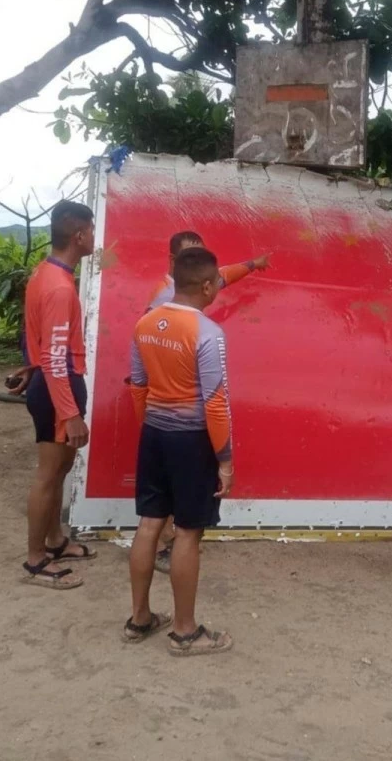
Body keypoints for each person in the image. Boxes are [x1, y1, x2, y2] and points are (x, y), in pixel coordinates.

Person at [124, 246, 236, 656]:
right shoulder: (208, 333)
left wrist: (152, 427)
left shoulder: (146, 323)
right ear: (206, 286)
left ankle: (139, 619)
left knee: (149, 523)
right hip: (192, 443)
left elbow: (137, 384)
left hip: (154, 434)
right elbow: (215, 402)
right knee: (188, 532)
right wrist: (224, 459)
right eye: (216, 284)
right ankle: (185, 632)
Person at [146, 230, 268, 574]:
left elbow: (223, 274)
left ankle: (165, 544)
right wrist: (225, 460)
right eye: (191, 257)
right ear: (175, 264)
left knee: (155, 510)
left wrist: (253, 265)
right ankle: (170, 546)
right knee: (179, 507)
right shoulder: (167, 305)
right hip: (181, 422)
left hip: (163, 422)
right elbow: (213, 401)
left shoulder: (193, 293)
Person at [14, 200, 99, 589]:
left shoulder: (44, 274)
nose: (95, 238)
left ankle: (54, 541)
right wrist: (70, 413)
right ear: (79, 236)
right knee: (48, 476)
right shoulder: (60, 289)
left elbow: (39, 341)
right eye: (92, 231)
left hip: (50, 383)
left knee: (60, 470)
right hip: (56, 390)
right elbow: (54, 356)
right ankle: (35, 562)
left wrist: (28, 369)